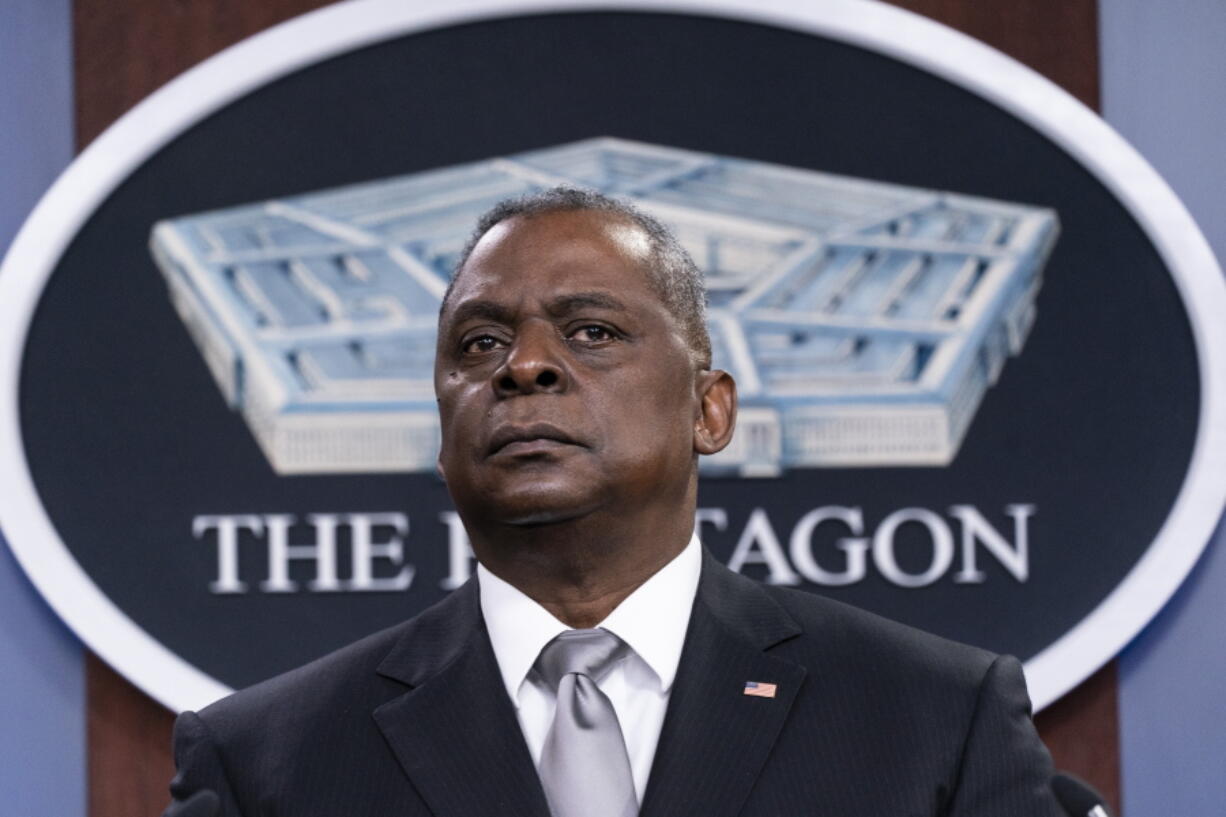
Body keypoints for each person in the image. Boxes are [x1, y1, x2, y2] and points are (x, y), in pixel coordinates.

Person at [163, 188, 1063, 816]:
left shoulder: (935, 716)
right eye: (478, 343)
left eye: (592, 330)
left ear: (710, 410)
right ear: (441, 432)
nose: (523, 365)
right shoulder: (264, 759)